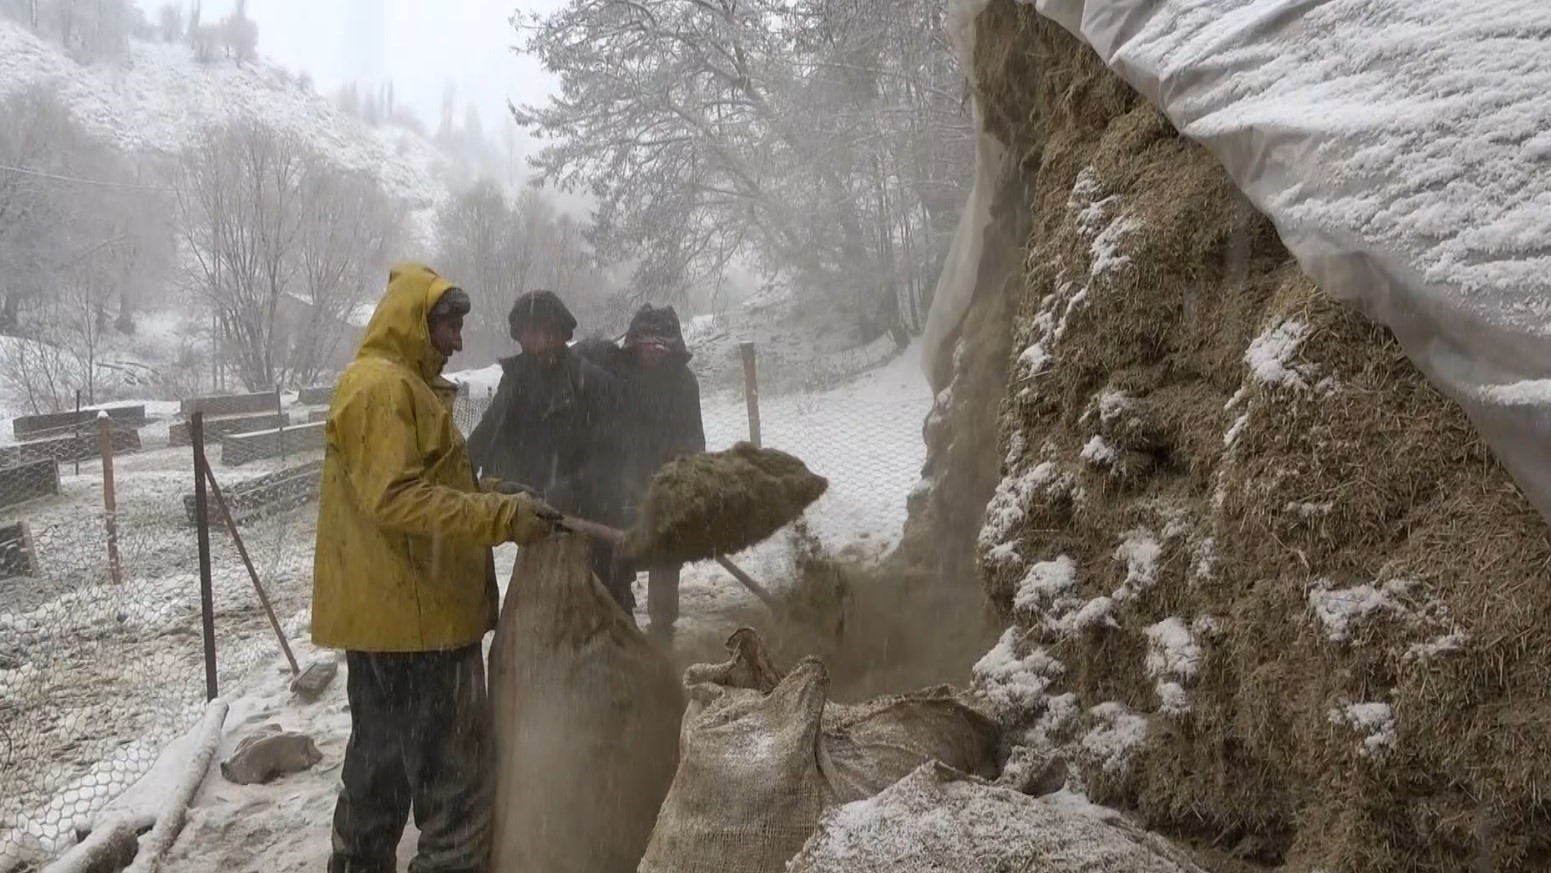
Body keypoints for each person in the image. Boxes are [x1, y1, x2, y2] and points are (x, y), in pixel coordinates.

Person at [312, 261, 561, 873]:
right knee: (457, 795)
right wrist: (499, 518)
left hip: (390, 624)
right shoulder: (381, 389)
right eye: (447, 325)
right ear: (411, 321)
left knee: (381, 774)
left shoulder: (395, 386)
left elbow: (416, 481)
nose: (456, 340)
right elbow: (395, 498)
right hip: (420, 626)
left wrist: (484, 490)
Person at [465, 289, 630, 610]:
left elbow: (612, 458)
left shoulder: (592, 383)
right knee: (549, 609)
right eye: (530, 333)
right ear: (520, 337)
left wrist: (567, 490)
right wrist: (462, 468)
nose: (539, 342)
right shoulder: (515, 382)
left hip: (593, 517)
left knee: (607, 608)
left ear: (561, 333)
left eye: (546, 331)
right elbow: (488, 432)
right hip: (539, 519)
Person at [576, 303, 705, 645]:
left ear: (672, 346)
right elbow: (582, 362)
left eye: (659, 344)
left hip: (663, 483)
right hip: (619, 481)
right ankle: (618, 624)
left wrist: (678, 466)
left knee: (666, 552)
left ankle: (662, 630)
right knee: (615, 555)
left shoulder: (683, 384)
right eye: (644, 342)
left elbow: (694, 439)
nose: (651, 350)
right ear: (632, 342)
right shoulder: (618, 372)